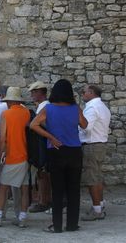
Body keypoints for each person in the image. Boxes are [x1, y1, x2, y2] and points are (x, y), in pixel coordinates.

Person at [30, 79, 88, 233]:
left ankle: (57, 226)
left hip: (56, 150)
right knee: (73, 190)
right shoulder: (75, 108)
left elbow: (33, 125)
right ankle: (72, 225)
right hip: (74, 151)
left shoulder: (48, 109)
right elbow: (85, 125)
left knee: (57, 190)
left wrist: (50, 136)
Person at [0, 87, 31, 228]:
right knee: (24, 188)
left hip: (12, 155)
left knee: (3, 188)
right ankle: (22, 218)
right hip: (25, 155)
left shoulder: (6, 114)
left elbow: (2, 137)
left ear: (9, 101)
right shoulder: (27, 113)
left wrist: (1, 152)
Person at [79, 85, 111, 221]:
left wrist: (78, 116)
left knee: (91, 178)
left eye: (84, 92)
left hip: (91, 145)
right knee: (97, 176)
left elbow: (87, 127)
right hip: (100, 144)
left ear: (91, 92)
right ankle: (100, 204)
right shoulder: (103, 107)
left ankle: (97, 210)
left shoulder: (92, 107)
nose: (82, 94)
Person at [27, 81, 52, 213]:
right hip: (41, 144)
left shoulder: (45, 107)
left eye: (34, 92)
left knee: (43, 174)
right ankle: (43, 199)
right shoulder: (42, 106)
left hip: (44, 144)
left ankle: (44, 201)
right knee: (41, 174)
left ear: (40, 93)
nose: (32, 94)